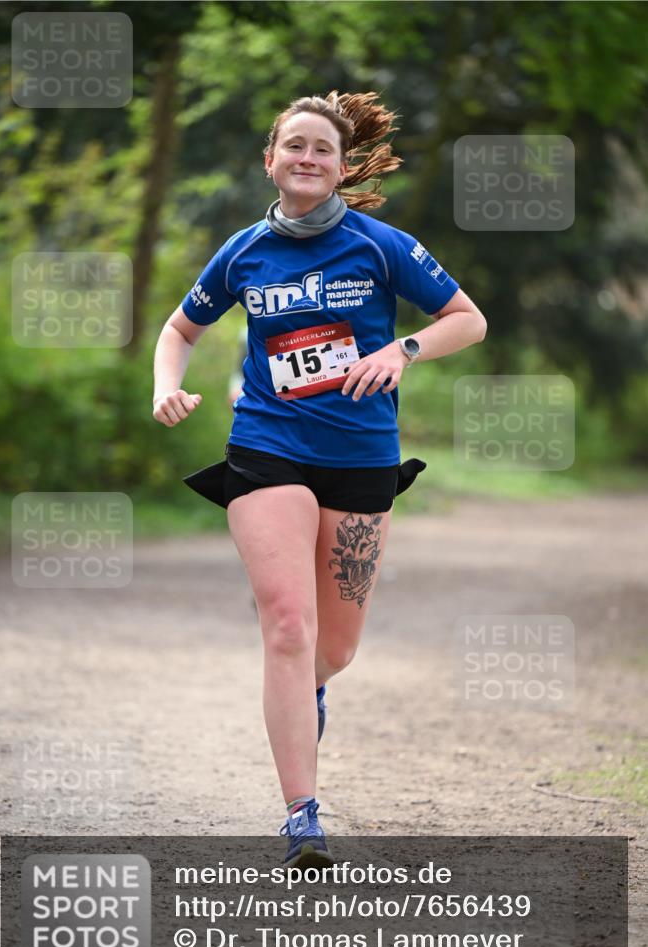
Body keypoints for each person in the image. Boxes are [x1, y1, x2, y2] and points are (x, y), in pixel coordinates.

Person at [153, 91, 487, 869]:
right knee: (287, 627)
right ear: (269, 159)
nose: (306, 158)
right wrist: (166, 383)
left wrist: (399, 350)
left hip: (362, 455)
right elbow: (180, 328)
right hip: (267, 444)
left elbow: (466, 318)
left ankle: (310, 697)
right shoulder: (242, 252)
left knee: (331, 651)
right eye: (292, 145)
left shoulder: (381, 246)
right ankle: (302, 816)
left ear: (341, 168)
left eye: (322, 150)